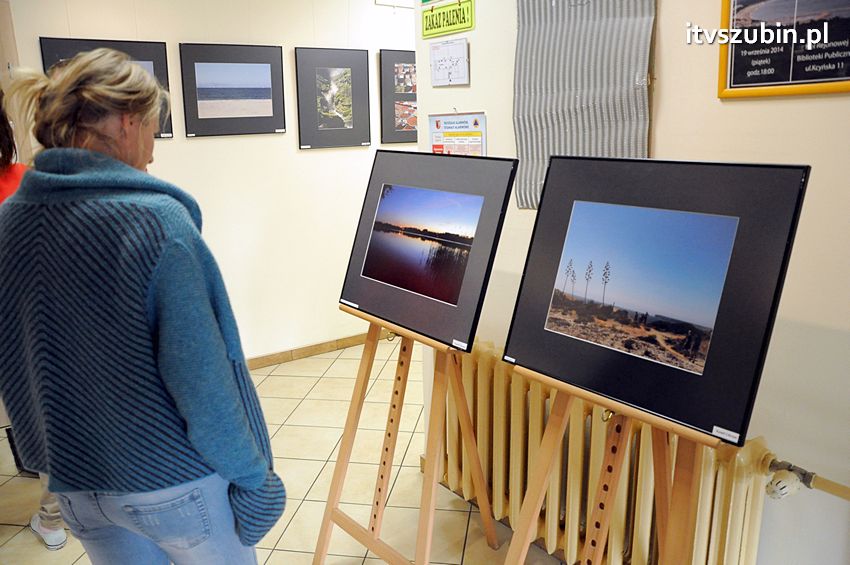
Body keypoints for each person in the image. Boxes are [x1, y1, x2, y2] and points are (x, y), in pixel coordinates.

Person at [0, 49, 285, 565]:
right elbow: (202, 380)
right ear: (129, 122)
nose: (153, 151)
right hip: (171, 483)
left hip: (75, 484)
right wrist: (252, 476)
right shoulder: (158, 228)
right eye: (154, 128)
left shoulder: (8, 223)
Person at [0, 86, 68, 551]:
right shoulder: (28, 182)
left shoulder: (27, 182)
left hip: (26, 335)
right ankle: (52, 514)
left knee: (46, 425)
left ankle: (52, 515)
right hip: (32, 336)